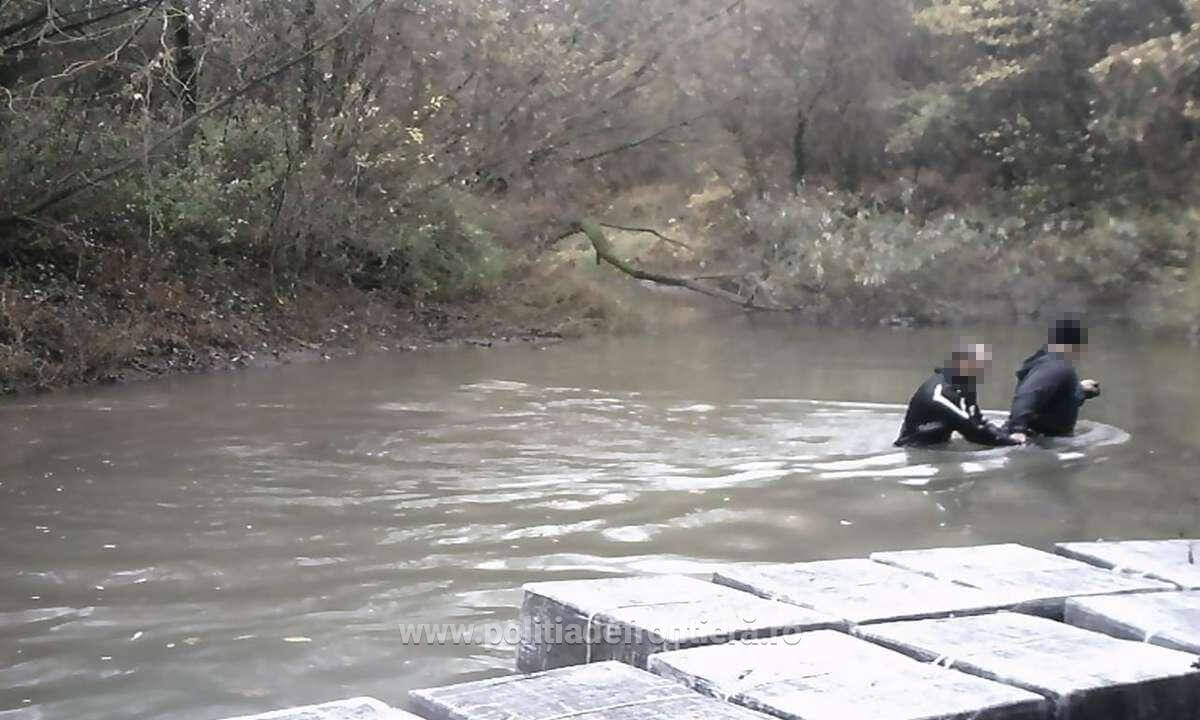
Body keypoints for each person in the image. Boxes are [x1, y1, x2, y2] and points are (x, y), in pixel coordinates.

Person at [895, 343, 1021, 448]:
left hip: (941, 444)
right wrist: (1013, 444)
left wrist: (1006, 434)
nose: (983, 370)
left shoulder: (966, 384)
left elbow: (977, 419)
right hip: (915, 449)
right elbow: (973, 432)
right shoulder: (941, 395)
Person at [1003, 317, 1101, 441]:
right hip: (1036, 442)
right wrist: (1017, 430)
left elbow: (1053, 398)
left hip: (1042, 439)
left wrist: (1080, 390)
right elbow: (1029, 393)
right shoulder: (1057, 366)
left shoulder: (1052, 363)